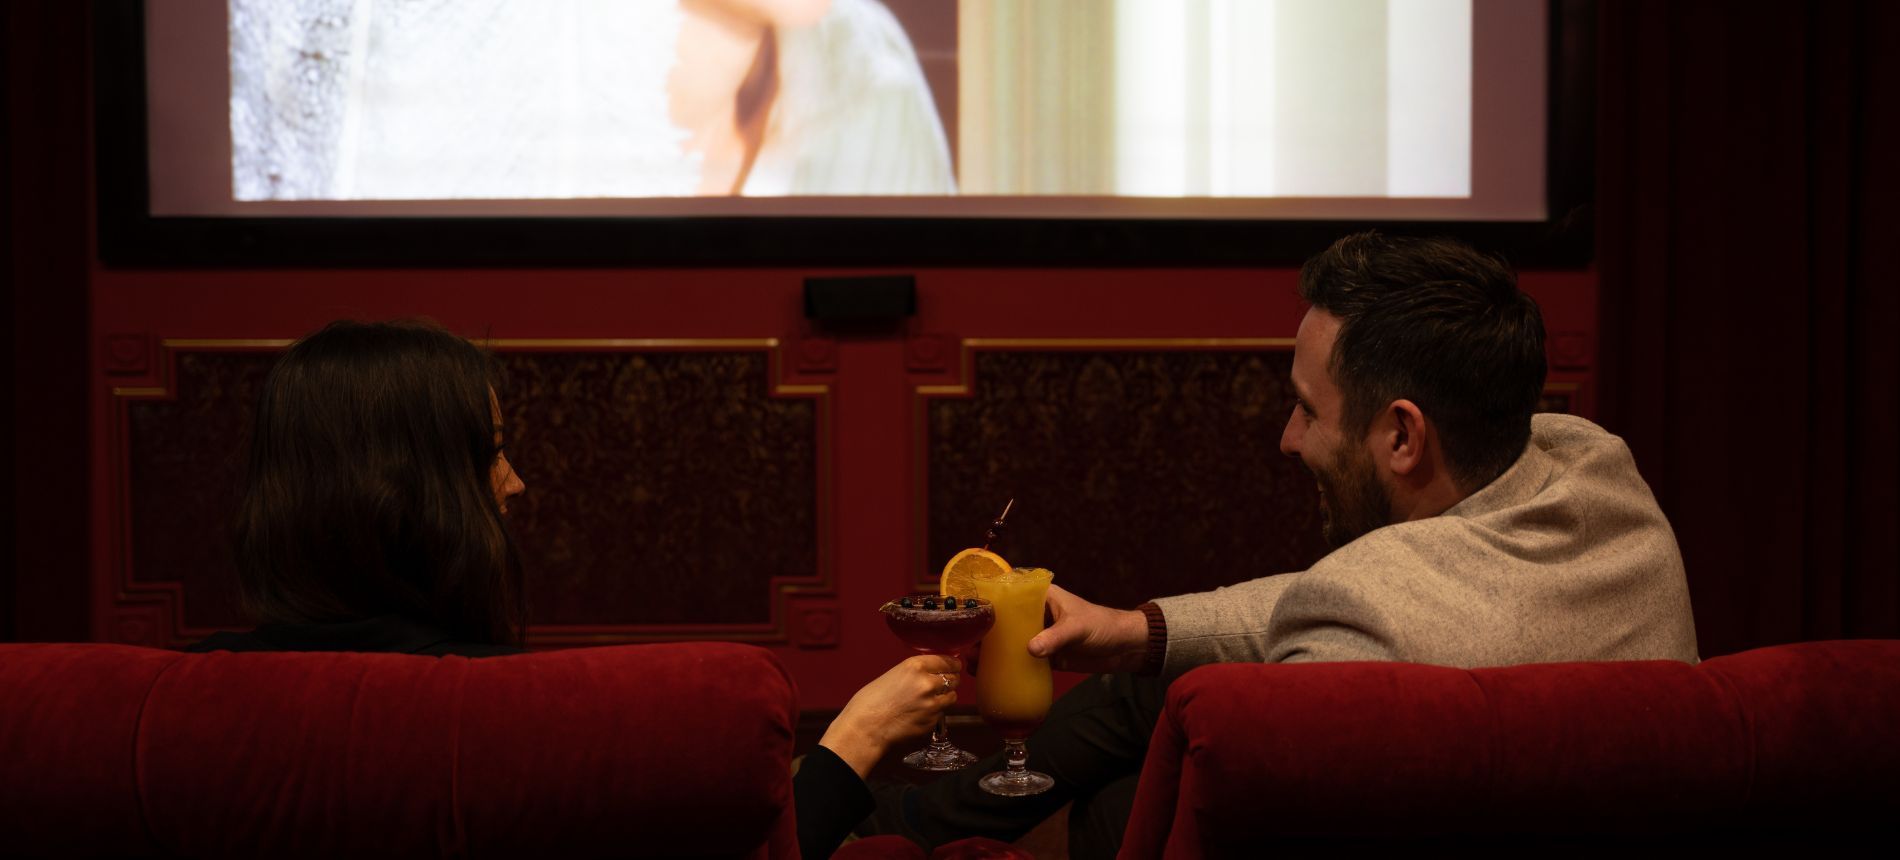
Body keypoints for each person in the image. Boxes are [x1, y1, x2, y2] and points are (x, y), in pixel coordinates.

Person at [865, 232, 1700, 857]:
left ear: (1402, 436)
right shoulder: (1592, 464)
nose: (1287, 438)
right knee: (1147, 676)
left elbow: (1355, 611)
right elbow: (1365, 593)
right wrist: (1135, 628)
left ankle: (921, 833)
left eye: (1308, 408)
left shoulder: (1360, 643)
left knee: (1113, 803)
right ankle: (929, 817)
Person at [185, 319, 950, 859]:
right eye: (490, 455)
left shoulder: (189, 702)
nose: (516, 482)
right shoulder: (499, 718)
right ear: (406, 492)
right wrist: (857, 740)